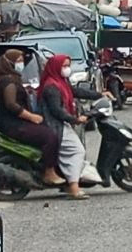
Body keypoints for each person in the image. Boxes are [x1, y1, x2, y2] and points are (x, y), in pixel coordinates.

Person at [0, 49, 63, 187]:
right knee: (49, 136)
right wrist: (31, 117)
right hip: (13, 124)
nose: (21, 63)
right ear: (9, 63)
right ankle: (49, 172)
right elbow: (11, 104)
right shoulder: (8, 82)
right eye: (18, 61)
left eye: (21, 60)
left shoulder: (12, 78)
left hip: (13, 122)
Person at [38, 53, 103, 199]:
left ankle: (68, 183)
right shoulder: (51, 87)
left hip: (62, 123)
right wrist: (74, 120)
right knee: (77, 151)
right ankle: (73, 188)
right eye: (65, 66)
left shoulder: (61, 82)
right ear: (56, 67)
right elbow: (56, 111)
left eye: (68, 65)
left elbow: (76, 91)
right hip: (55, 126)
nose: (67, 69)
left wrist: (99, 95)